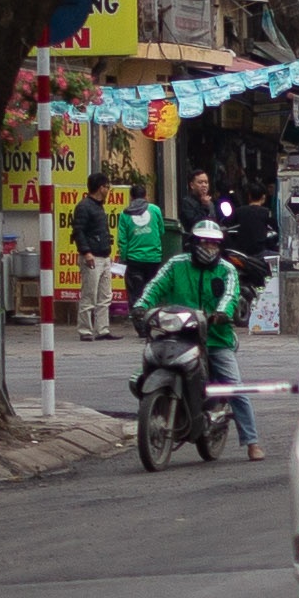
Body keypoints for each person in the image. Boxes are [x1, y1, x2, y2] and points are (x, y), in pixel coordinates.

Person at [135, 219, 260, 460]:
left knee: (234, 386)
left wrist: (222, 314)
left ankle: (252, 441)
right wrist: (141, 307)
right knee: (142, 372)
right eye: (203, 242)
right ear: (192, 243)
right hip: (178, 335)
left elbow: (230, 295)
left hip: (215, 338)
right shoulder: (176, 264)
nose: (208, 247)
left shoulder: (227, 270)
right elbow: (155, 286)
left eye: (213, 243)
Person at [71, 172, 116, 341]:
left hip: (103, 255)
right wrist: (86, 252)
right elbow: (79, 231)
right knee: (89, 294)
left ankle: (102, 329)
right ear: (100, 187)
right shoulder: (84, 207)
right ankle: (85, 330)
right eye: (106, 186)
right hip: (92, 256)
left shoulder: (98, 206)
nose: (108, 190)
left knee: (105, 295)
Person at [116, 179, 165, 307]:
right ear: (146, 196)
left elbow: (123, 240)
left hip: (134, 259)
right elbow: (161, 231)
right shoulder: (155, 210)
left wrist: (123, 258)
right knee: (151, 290)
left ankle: (137, 317)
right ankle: (150, 315)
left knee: (135, 293)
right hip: (153, 258)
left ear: (131, 197)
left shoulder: (124, 214)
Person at [178, 169, 215, 239]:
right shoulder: (186, 202)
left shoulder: (210, 204)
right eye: (200, 182)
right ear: (192, 185)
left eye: (206, 182)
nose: (204, 185)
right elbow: (196, 224)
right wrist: (204, 206)